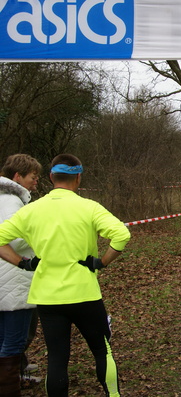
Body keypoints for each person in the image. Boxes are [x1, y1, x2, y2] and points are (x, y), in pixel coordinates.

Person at [0, 154, 131, 397]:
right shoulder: (89, 207)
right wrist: (101, 262)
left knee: (57, 359)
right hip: (85, 294)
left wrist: (23, 264)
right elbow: (121, 235)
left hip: (48, 298)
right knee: (103, 351)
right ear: (78, 177)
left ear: (51, 177)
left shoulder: (32, 210)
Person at [0, 154, 42, 394]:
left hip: (7, 279)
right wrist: (40, 234)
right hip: (13, 280)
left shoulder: (6, 198)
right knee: (14, 341)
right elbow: (11, 240)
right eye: (33, 177)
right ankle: (10, 386)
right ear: (18, 176)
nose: (35, 182)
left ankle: (16, 374)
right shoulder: (11, 202)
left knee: (6, 338)